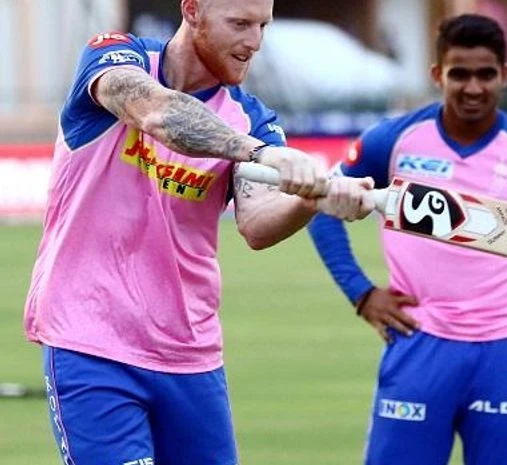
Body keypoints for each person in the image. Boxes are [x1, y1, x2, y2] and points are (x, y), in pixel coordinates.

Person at [23, 0, 373, 464]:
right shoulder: (116, 57)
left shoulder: (253, 119)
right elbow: (158, 114)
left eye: (263, 25)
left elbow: (257, 222)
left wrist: (312, 199)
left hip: (191, 355)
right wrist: (260, 153)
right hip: (91, 343)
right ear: (192, 11)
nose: (254, 42)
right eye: (240, 24)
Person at [307, 14, 507, 465]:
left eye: (485, 74)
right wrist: (361, 293)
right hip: (420, 344)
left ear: (505, 75)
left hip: (504, 356)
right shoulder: (393, 141)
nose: (473, 88)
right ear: (438, 74)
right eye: (460, 74)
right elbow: (322, 207)